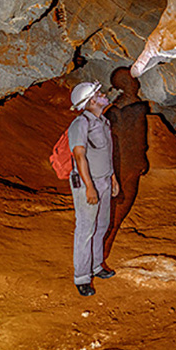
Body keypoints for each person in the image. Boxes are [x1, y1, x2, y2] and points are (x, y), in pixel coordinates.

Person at [68, 81, 120, 296]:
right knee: (86, 229)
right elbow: (79, 156)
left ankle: (96, 266)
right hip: (88, 183)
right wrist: (89, 187)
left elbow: (105, 155)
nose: (103, 95)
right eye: (98, 94)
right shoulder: (81, 124)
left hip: (105, 180)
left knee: (102, 225)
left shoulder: (103, 121)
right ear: (91, 101)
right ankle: (81, 276)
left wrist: (113, 178)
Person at [102, 67, 149, 268]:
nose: (137, 83)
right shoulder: (133, 110)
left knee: (113, 212)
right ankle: (100, 256)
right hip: (128, 166)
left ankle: (100, 254)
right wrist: (141, 161)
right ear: (127, 85)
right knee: (117, 214)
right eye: (133, 80)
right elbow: (138, 140)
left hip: (118, 164)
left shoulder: (114, 110)